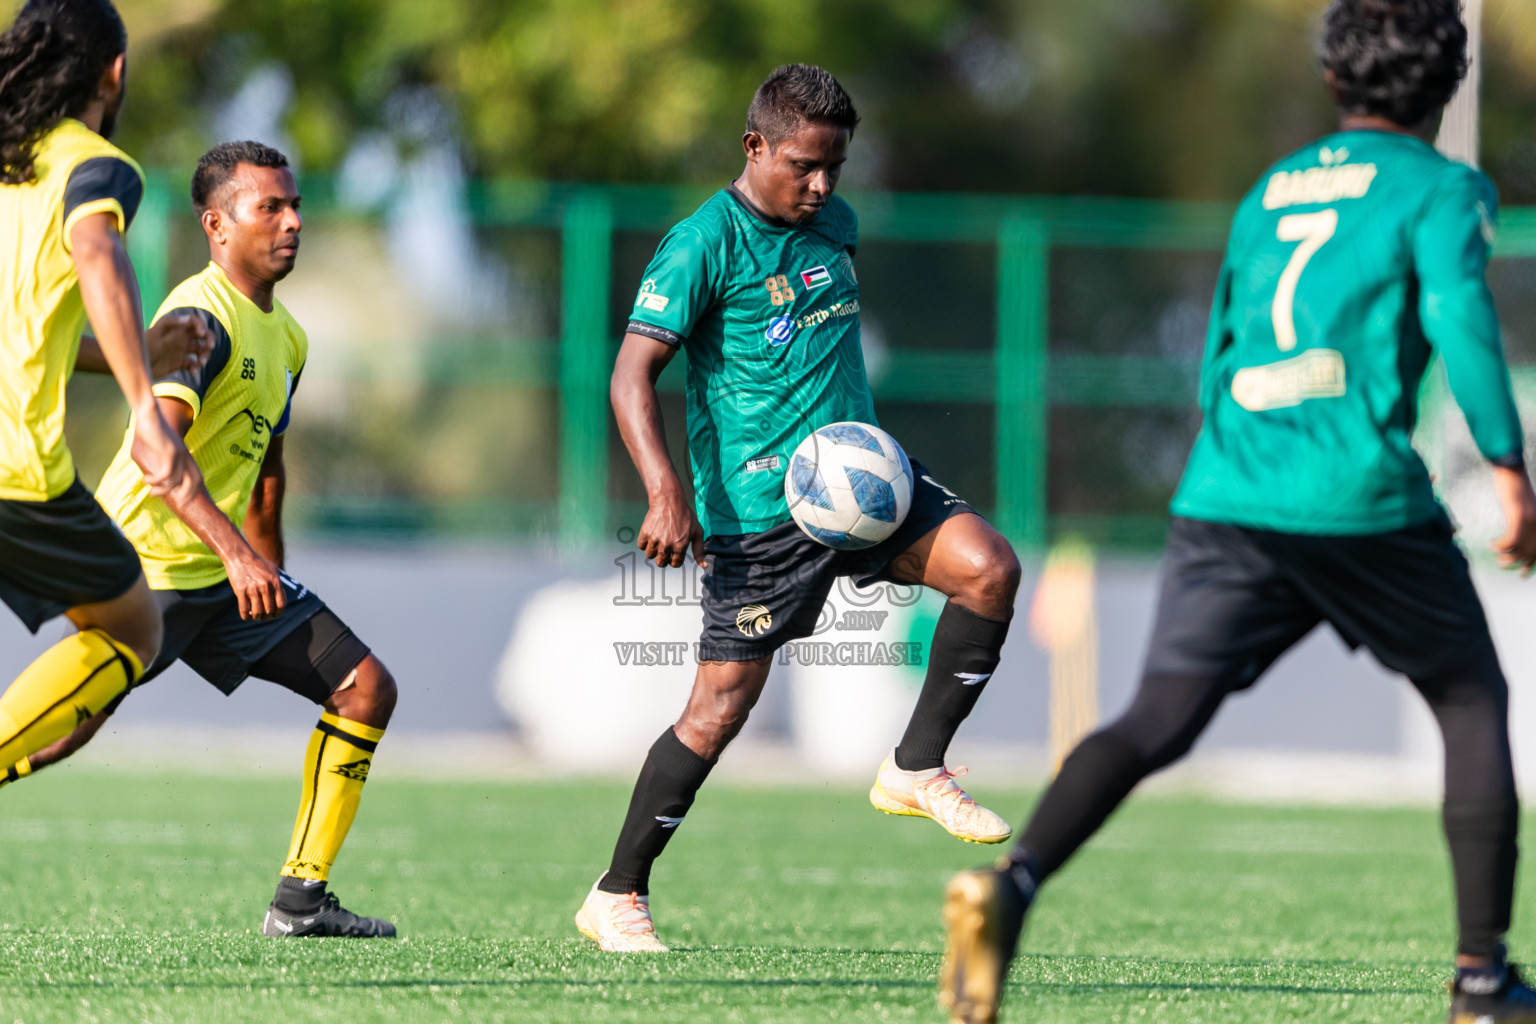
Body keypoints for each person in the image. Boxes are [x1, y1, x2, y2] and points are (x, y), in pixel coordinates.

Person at [938, 2, 1536, 1022]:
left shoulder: (1269, 191)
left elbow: (1220, 348)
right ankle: (1483, 980)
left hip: (1227, 490)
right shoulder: (1442, 187)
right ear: (1445, 86)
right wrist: (1510, 468)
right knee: (1471, 701)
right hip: (1356, 496)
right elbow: (1458, 316)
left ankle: (1014, 882)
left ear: (1335, 81)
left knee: (1156, 716)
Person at [577, 63, 1023, 953]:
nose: (822, 186)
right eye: (805, 166)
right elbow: (632, 374)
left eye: (836, 168)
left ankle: (916, 766)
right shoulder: (702, 243)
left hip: (864, 482)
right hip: (757, 515)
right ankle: (617, 892)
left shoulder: (836, 226)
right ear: (755, 147)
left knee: (990, 570)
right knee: (718, 712)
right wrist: (667, 492)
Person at [14, 141, 400, 940]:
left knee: (364, 687)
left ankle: (300, 901)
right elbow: (164, 454)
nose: (293, 222)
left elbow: (267, 471)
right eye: (271, 208)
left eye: (295, 206)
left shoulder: (288, 338)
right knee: (58, 737)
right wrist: (237, 555)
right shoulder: (197, 318)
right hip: (144, 572)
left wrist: (273, 578)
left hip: (224, 579)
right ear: (216, 225)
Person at [0, 0, 206, 796]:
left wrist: (142, 351)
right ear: (113, 72)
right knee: (132, 627)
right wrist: (147, 409)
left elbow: (30, 336)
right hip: (17, 471)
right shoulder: (96, 166)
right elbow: (94, 248)